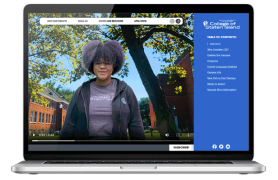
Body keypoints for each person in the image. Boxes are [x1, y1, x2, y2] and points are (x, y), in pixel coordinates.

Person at [59, 40, 145, 140]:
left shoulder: (125, 90)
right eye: (98, 63)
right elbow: (69, 126)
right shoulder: (81, 91)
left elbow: (136, 126)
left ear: (114, 65)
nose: (102, 66)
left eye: (107, 63)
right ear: (92, 65)